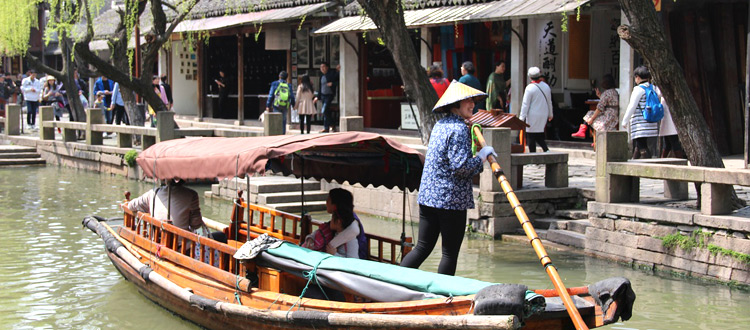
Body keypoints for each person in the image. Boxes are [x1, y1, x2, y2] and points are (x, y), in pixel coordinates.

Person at [399, 82, 495, 276]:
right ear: (456, 105)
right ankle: (443, 297)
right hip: (449, 200)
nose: (472, 105)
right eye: (468, 101)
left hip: (429, 197)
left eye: (472, 101)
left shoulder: (440, 125)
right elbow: (460, 167)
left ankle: (393, 282)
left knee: (422, 248)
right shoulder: (459, 129)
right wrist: (482, 157)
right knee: (449, 254)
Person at [303, 188, 367, 259]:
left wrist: (333, 252)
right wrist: (310, 240)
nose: (326, 202)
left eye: (328, 200)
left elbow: (352, 259)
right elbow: (321, 232)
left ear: (335, 205)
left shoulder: (349, 223)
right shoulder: (339, 221)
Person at [125, 179, 204, 232]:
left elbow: (131, 206)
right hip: (182, 247)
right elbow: (196, 224)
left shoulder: (153, 192)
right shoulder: (191, 195)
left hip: (156, 242)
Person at [622, 65, 660, 159]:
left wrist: (625, 120)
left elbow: (632, 106)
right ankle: (632, 165)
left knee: (642, 147)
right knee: (638, 147)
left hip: (640, 125)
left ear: (637, 77)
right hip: (652, 122)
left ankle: (649, 166)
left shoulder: (638, 89)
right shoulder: (654, 88)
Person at [572, 74, 619, 147]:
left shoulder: (607, 93)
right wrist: (600, 96)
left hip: (608, 115)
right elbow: (608, 101)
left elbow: (600, 107)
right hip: (614, 114)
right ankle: (585, 131)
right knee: (591, 114)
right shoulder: (614, 92)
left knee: (591, 117)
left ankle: (591, 135)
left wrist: (592, 118)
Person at [519, 67, 553, 153]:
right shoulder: (546, 86)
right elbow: (549, 102)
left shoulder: (529, 88)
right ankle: (546, 150)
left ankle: (533, 155)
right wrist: (550, 114)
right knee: (538, 134)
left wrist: (521, 118)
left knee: (531, 135)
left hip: (532, 114)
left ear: (530, 77)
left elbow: (525, 104)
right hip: (543, 114)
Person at [317, 62, 337, 133]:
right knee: (326, 112)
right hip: (323, 95)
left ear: (327, 67)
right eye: (321, 67)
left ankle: (332, 124)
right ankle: (326, 127)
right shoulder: (322, 76)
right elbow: (320, 87)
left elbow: (337, 81)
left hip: (329, 95)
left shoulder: (331, 74)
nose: (322, 69)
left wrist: (332, 84)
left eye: (323, 67)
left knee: (324, 110)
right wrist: (318, 97)